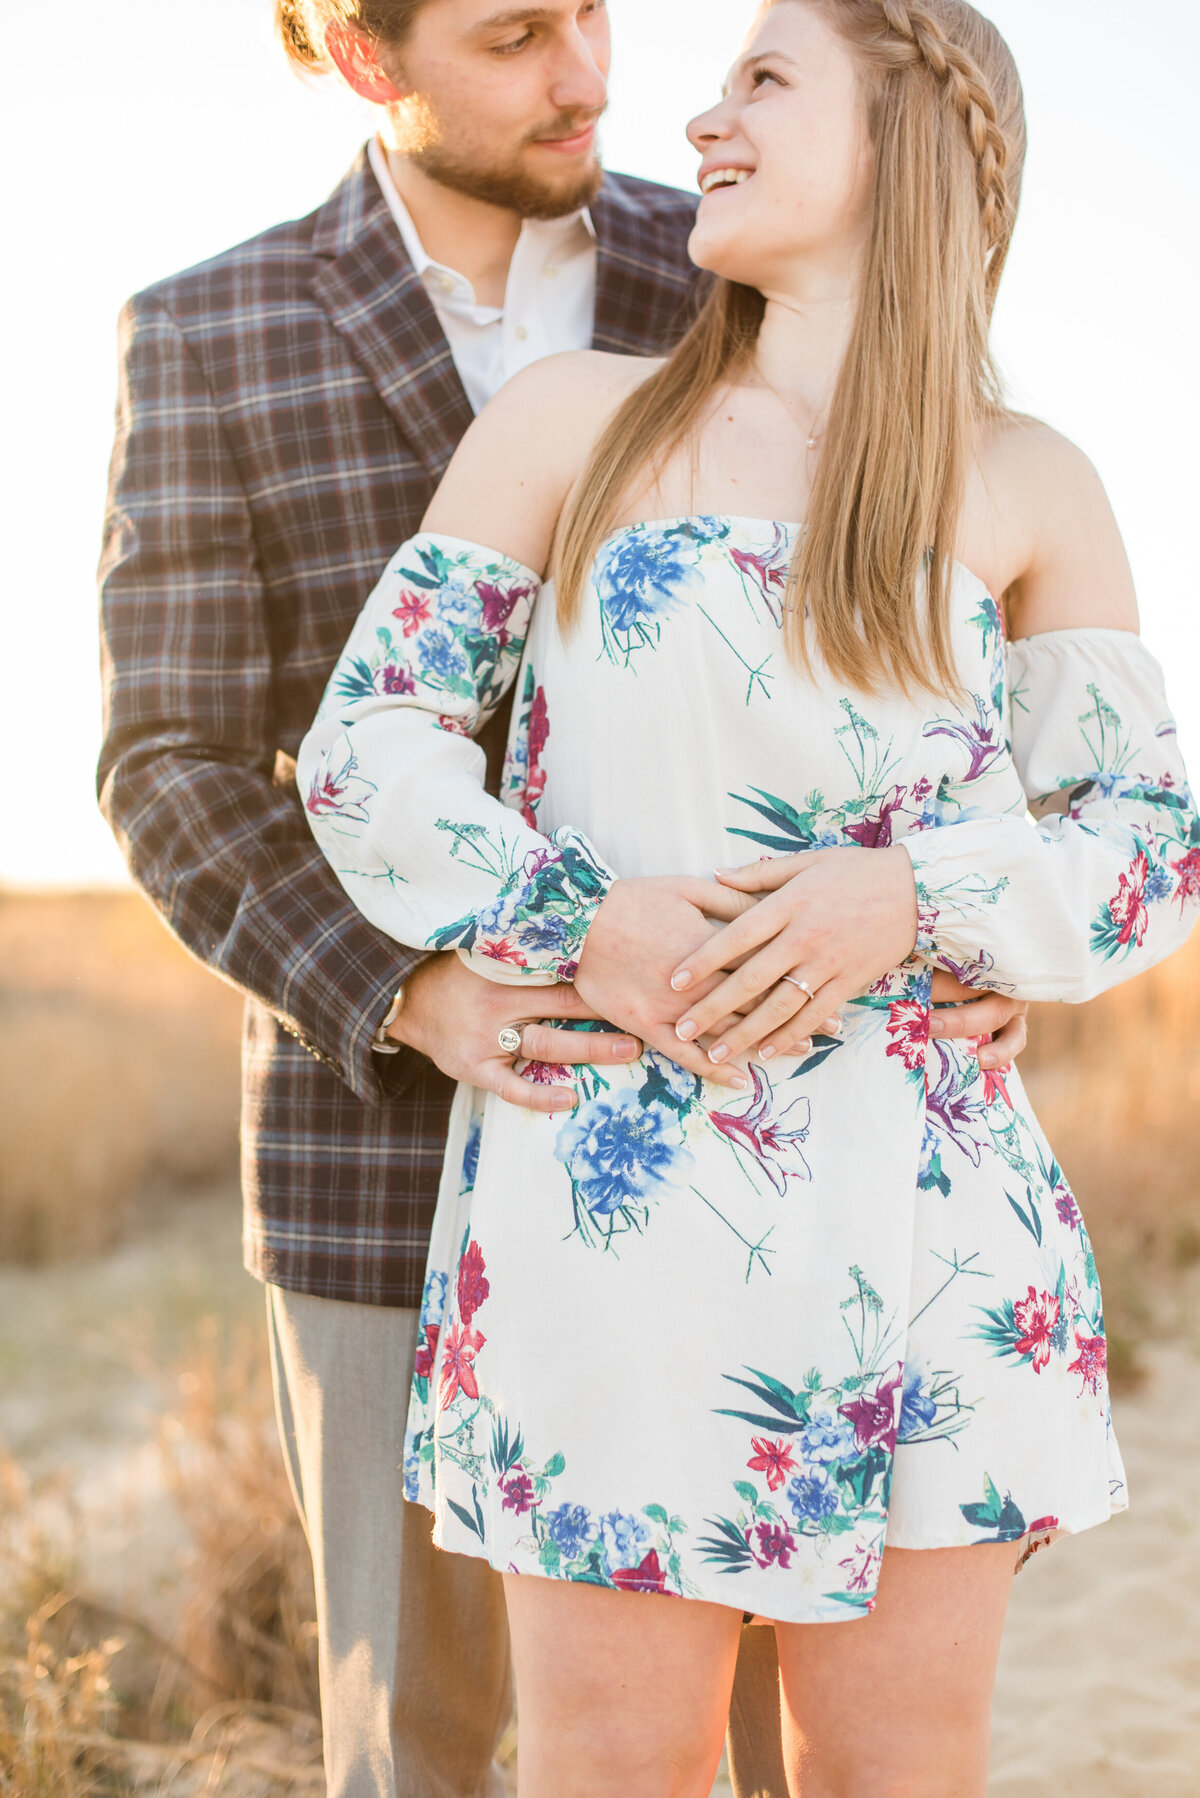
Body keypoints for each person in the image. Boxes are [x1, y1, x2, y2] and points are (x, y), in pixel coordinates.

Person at [97, 0, 1026, 1792]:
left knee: (784, 1739)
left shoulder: (742, 254)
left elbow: (948, 624)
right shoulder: (208, 332)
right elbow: (172, 765)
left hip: (786, 1145)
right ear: (366, 59)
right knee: (427, 1743)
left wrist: (971, 920)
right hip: (383, 1139)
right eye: (518, 36)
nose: (592, 78)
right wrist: (416, 991)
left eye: (595, 12)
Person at [298, 0, 1200, 1794]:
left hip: (934, 1223)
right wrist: (577, 920)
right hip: (620, 1214)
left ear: (912, 138)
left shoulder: (1028, 481)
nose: (695, 117)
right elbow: (368, 750)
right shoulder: (580, 426)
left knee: (897, 1768)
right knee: (614, 1761)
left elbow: (1150, 839)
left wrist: (918, 898)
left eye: (763, 80)